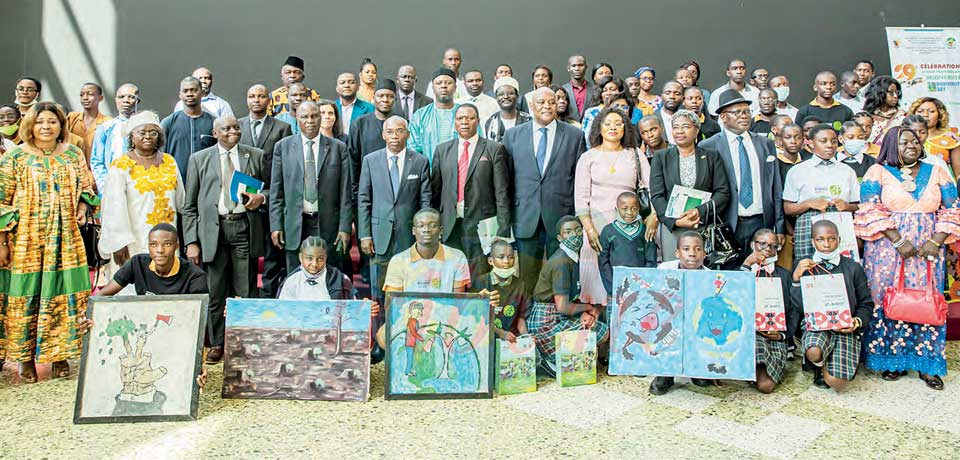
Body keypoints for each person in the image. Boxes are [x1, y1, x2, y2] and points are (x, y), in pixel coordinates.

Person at [855, 126, 960, 391]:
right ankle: (892, 359)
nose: (912, 145)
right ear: (891, 145)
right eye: (904, 142)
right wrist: (898, 240)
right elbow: (869, 209)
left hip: (928, 250)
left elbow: (953, 208)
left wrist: (936, 240)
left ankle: (927, 363)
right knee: (888, 298)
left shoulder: (936, 169)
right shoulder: (876, 172)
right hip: (886, 249)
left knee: (926, 300)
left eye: (915, 141)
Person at [0, 101, 97, 382]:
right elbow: (2, 200)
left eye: (52, 122)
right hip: (25, 242)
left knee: (62, 295)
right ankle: (25, 358)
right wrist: (3, 243)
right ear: (31, 124)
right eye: (41, 121)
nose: (46, 126)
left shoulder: (73, 155)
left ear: (61, 126)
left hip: (65, 240)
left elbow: (86, 187)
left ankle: (59, 355)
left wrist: (82, 206)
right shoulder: (15, 157)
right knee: (26, 297)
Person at [183, 115, 268, 363]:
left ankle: (246, 340)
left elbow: (270, 188)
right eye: (226, 128)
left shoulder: (255, 155)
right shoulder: (199, 159)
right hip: (213, 231)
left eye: (236, 127)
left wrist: (260, 197)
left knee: (246, 289)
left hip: (244, 227)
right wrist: (191, 241)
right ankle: (218, 343)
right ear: (215, 132)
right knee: (216, 291)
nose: (232, 131)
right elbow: (189, 206)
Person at [503, 87, 587, 293]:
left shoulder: (574, 135)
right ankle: (529, 315)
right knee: (527, 273)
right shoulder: (513, 135)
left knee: (563, 272)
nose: (546, 106)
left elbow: (580, 179)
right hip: (525, 215)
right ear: (531, 106)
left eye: (551, 102)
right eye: (541, 102)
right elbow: (506, 180)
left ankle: (560, 317)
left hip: (561, 217)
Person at [99, 111, 185, 293]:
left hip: (166, 238)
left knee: (166, 289)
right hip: (133, 241)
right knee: (133, 292)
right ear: (131, 136)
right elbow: (112, 208)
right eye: (142, 132)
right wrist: (118, 244)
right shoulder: (121, 165)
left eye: (153, 133)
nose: (148, 137)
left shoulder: (169, 161)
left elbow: (181, 201)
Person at [575, 106, 652, 305]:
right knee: (596, 274)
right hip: (596, 223)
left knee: (626, 272)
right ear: (598, 128)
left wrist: (652, 216)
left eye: (618, 124)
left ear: (625, 128)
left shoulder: (635, 154)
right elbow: (581, 197)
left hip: (629, 223)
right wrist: (589, 229)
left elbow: (651, 189)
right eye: (608, 123)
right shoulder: (588, 156)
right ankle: (599, 322)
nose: (613, 128)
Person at [700, 89, 784, 267]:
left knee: (762, 274)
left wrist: (779, 226)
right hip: (727, 223)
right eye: (737, 112)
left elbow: (776, 188)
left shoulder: (766, 144)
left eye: (746, 111)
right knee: (727, 276)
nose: (744, 116)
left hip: (761, 221)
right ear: (723, 117)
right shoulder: (709, 146)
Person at [270, 101, 352, 275]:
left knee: (329, 276)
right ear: (296, 118)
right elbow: (276, 192)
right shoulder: (282, 147)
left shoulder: (338, 148)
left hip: (328, 224)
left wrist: (344, 227)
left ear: (321, 117)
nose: (310, 121)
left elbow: (345, 193)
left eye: (314, 116)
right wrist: (276, 225)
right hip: (294, 224)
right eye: (304, 117)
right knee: (295, 276)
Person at [431, 104, 511, 280]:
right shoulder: (442, 150)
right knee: (450, 275)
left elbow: (502, 192)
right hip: (450, 224)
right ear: (455, 123)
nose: (464, 122)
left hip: (481, 225)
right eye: (460, 119)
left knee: (478, 276)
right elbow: (435, 192)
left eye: (469, 118)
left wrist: (504, 228)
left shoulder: (493, 149)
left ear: (478, 121)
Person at [358, 116, 432, 302]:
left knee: (410, 283)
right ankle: (380, 328)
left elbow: (425, 201)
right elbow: (364, 199)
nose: (394, 136)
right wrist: (365, 234)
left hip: (409, 235)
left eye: (399, 131)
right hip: (378, 235)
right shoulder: (370, 160)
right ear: (383, 135)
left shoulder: (420, 161)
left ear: (407, 134)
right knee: (378, 287)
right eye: (390, 131)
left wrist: (422, 232)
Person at [792, 220, 873, 390]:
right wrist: (796, 279)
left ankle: (836, 360)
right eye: (820, 239)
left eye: (831, 239)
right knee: (814, 351)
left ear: (839, 239)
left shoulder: (853, 267)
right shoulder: (803, 266)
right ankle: (818, 364)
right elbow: (798, 307)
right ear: (813, 241)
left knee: (836, 383)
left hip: (845, 327)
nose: (826, 244)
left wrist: (856, 322)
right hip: (817, 326)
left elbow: (866, 303)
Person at [528, 216, 609, 377]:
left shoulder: (572, 257)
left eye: (578, 230)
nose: (574, 235)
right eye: (568, 232)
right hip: (546, 321)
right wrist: (589, 308)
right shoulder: (561, 263)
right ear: (559, 237)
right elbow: (563, 307)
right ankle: (550, 359)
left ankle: (557, 359)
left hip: (557, 315)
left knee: (592, 322)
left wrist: (584, 313)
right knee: (602, 331)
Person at [650, 109, 731, 259]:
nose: (680, 131)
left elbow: (723, 193)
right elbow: (657, 195)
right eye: (675, 127)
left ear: (696, 129)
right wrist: (677, 221)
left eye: (686, 126)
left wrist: (699, 211)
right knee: (673, 275)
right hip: (673, 227)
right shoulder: (661, 157)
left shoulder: (711, 157)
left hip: (703, 225)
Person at [238, 83, 292, 298]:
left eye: (261, 96)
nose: (256, 100)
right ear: (247, 99)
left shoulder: (281, 128)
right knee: (246, 255)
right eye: (252, 96)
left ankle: (268, 298)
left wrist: (266, 196)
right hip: (242, 199)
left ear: (269, 101)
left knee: (271, 257)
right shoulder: (237, 126)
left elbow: (285, 169)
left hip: (271, 197)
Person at [782, 124, 860, 261]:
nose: (830, 145)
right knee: (808, 269)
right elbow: (787, 209)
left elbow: (857, 205)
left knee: (843, 269)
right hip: (808, 224)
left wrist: (847, 206)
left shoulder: (847, 171)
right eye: (823, 141)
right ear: (811, 143)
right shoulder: (797, 171)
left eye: (834, 141)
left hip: (840, 223)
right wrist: (809, 203)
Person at [648, 231, 711, 394]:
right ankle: (665, 373)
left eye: (698, 249)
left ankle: (695, 368)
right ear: (677, 252)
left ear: (704, 253)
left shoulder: (710, 276)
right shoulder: (664, 270)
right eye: (686, 248)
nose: (692, 253)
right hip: (669, 319)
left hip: (695, 321)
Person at [741, 228, 795, 393]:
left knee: (766, 386)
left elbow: (793, 311)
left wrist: (782, 335)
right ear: (753, 245)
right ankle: (753, 366)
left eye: (773, 246)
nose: (767, 249)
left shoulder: (785, 275)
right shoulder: (742, 272)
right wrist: (747, 264)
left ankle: (767, 366)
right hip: (749, 334)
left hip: (775, 334)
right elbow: (732, 298)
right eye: (762, 244)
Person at [98, 223, 208, 296]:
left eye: (167, 244)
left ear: (176, 246)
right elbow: (102, 296)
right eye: (153, 244)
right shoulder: (137, 263)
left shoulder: (195, 276)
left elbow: (195, 318)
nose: (160, 250)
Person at [598, 191, 656, 293]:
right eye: (625, 209)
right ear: (616, 209)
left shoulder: (645, 231)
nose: (629, 212)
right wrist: (612, 286)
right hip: (616, 286)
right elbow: (603, 262)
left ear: (639, 210)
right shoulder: (608, 231)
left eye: (634, 209)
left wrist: (643, 282)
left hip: (640, 285)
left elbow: (651, 259)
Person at [472, 239, 529, 342]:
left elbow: (521, 318)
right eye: (501, 257)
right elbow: (474, 318)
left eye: (511, 257)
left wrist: (526, 338)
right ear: (490, 261)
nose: (506, 262)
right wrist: (500, 333)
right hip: (484, 337)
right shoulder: (480, 282)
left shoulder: (521, 285)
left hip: (511, 338)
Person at [161, 76, 216, 180]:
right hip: (176, 182)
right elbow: (160, 156)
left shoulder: (214, 122)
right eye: (185, 91)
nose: (189, 94)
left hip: (205, 182)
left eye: (194, 90)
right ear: (180, 95)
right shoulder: (168, 122)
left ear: (201, 93)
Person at [90, 83, 140, 191]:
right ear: (116, 100)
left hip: (140, 186)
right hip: (112, 186)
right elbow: (97, 161)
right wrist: (105, 187)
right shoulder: (106, 128)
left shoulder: (145, 127)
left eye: (131, 97)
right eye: (121, 97)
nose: (125, 100)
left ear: (138, 100)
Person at [349, 79, 397, 189]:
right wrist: (356, 191)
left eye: (389, 96)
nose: (385, 100)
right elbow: (353, 160)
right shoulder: (359, 124)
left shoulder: (402, 123)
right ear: (373, 98)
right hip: (367, 185)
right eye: (381, 96)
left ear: (395, 99)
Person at [407, 68, 461, 164]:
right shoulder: (420, 116)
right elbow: (413, 148)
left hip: (460, 173)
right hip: (429, 173)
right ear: (432, 88)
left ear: (455, 87)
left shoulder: (464, 114)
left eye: (448, 83)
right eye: (439, 83)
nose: (443, 86)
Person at [776, 123, 805, 271]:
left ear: (804, 140)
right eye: (788, 137)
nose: (793, 141)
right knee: (785, 269)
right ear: (780, 141)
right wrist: (788, 229)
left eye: (797, 137)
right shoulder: (774, 165)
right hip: (784, 226)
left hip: (804, 225)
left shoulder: (808, 164)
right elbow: (778, 201)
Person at [909, 97, 960, 176]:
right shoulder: (904, 137)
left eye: (931, 111)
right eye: (920, 111)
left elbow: (958, 172)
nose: (925, 115)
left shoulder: (951, 138)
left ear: (940, 115)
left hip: (943, 184)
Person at [66, 82, 111, 167]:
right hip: (72, 169)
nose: (85, 98)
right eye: (82, 95)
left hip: (96, 173)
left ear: (100, 98)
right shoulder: (71, 118)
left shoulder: (107, 122)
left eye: (90, 94)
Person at [581, 76, 628, 143]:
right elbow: (585, 137)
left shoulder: (625, 109)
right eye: (604, 90)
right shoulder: (591, 112)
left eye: (612, 89)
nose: (608, 93)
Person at [484, 77, 531, 143]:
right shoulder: (491, 122)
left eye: (510, 93)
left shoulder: (528, 120)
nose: (506, 96)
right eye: (501, 94)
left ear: (517, 96)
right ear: (496, 97)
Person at [863, 76, 906, 146]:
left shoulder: (902, 116)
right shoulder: (864, 117)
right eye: (891, 92)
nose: (895, 96)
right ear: (879, 93)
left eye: (897, 92)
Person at [563, 55, 593, 121]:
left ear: (586, 67)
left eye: (580, 65)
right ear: (568, 68)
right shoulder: (563, 90)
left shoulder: (594, 89)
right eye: (573, 66)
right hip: (568, 128)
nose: (577, 69)